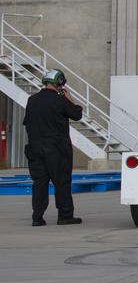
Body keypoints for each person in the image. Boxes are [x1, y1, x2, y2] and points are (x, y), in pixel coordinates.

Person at [23, 69, 83, 226]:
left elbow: (27, 123)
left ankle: (37, 217)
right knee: (61, 182)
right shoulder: (60, 100)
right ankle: (65, 216)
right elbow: (77, 114)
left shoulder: (32, 100)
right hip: (57, 149)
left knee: (39, 183)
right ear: (60, 82)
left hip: (35, 147)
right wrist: (69, 98)